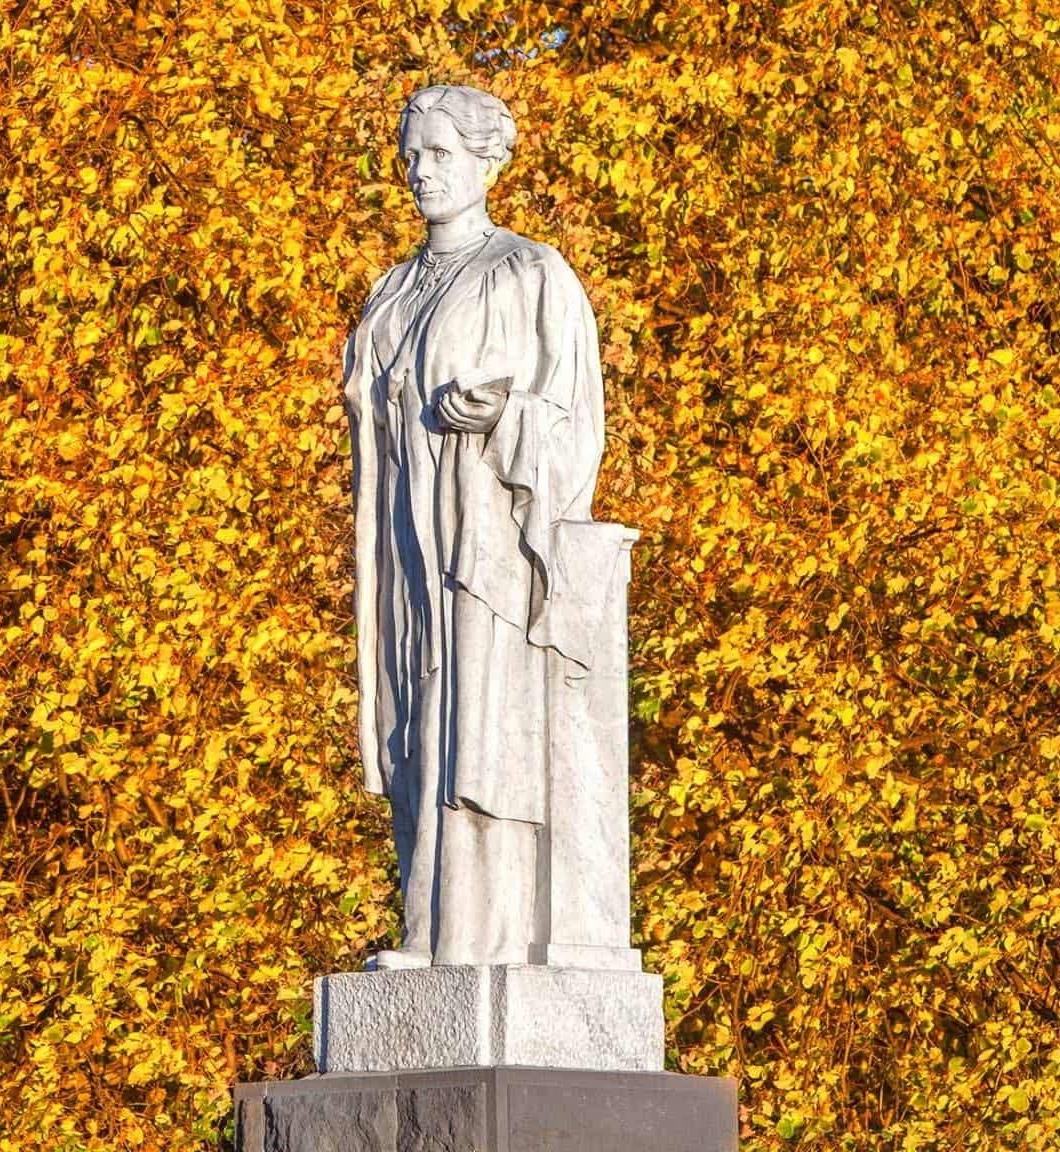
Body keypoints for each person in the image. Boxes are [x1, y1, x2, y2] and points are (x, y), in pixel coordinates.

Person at [344, 84, 625, 970]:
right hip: (405, 541)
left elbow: (575, 419)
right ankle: (427, 928)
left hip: (489, 545)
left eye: (440, 155)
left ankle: (474, 939)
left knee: (480, 719)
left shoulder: (529, 273)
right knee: (418, 716)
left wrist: (503, 417)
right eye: (412, 154)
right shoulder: (390, 293)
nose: (421, 171)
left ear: (484, 161)